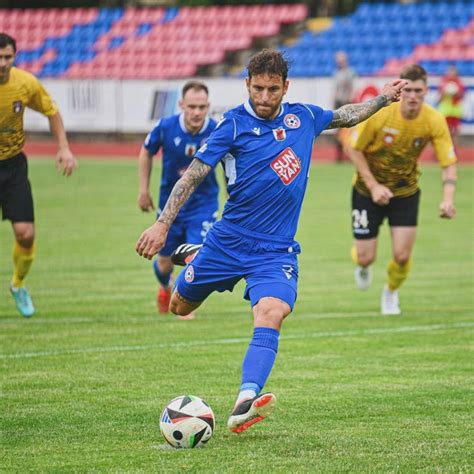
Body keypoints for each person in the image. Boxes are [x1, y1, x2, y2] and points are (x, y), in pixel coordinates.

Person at [136, 49, 405, 433]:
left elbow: (346, 115)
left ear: (285, 88)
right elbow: (193, 175)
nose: (264, 97)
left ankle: (246, 399)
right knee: (179, 306)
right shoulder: (230, 125)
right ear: (247, 84)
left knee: (272, 311)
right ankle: (198, 255)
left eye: (272, 89)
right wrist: (163, 225)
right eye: (258, 88)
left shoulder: (305, 118)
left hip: (275, 249)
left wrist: (382, 98)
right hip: (227, 241)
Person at [346, 64, 457, 316]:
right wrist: (374, 187)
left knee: (402, 255)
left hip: (405, 192)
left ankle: (391, 292)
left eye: (419, 90)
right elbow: (353, 148)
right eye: (408, 90)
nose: (413, 96)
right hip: (366, 190)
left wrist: (447, 199)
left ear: (426, 91)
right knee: (365, 257)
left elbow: (448, 163)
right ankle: (362, 266)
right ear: (400, 90)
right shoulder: (381, 115)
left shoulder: (433, 119)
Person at [0, 33, 76, 318]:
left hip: (13, 165)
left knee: (26, 234)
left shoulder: (25, 83)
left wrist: (64, 148)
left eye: (7, 57)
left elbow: (52, 112)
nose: (3, 63)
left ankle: (17, 285)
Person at [138, 81, 219, 319]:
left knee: (196, 256)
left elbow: (230, 162)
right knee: (164, 263)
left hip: (203, 207)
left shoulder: (217, 130)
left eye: (201, 107)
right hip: (169, 208)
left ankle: (182, 301)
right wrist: (143, 190)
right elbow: (146, 152)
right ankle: (165, 287)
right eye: (192, 106)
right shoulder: (165, 127)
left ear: (208, 106)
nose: (196, 112)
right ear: (181, 105)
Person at [333, 51, 357, 162]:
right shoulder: (336, 73)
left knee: (347, 130)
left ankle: (349, 154)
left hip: (346, 102)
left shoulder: (350, 73)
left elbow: (352, 88)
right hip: (338, 102)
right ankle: (340, 155)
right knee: (338, 130)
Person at [437, 65, 465, 150]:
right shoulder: (443, 82)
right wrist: (444, 92)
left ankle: (454, 150)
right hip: (445, 111)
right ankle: (443, 150)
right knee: (444, 132)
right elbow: (439, 98)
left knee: (455, 132)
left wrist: (456, 93)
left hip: (455, 111)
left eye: (452, 72)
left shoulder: (459, 83)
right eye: (449, 72)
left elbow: (462, 96)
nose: (450, 74)